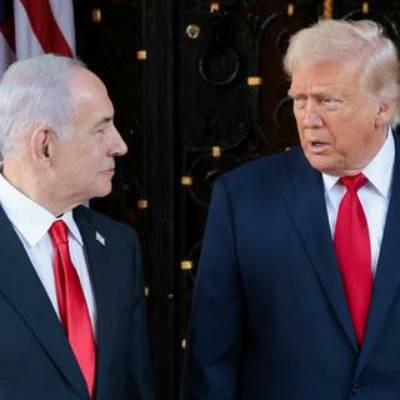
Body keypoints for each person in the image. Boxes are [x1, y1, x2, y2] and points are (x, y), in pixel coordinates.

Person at [181, 19, 400, 399]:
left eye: (328, 101)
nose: (309, 119)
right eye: (300, 99)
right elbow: (211, 358)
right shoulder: (243, 198)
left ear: (383, 108)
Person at [0, 54, 154, 399]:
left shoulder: (119, 245)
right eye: (100, 129)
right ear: (45, 145)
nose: (120, 145)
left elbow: (135, 385)